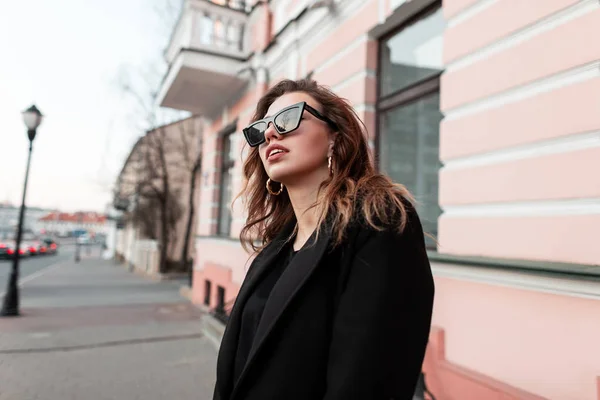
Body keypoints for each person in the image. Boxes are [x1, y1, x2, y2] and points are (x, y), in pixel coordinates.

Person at [213, 79, 435, 400]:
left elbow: (367, 381)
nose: (271, 134)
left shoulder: (378, 221)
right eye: (262, 129)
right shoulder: (276, 245)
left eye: (289, 119)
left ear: (335, 136)